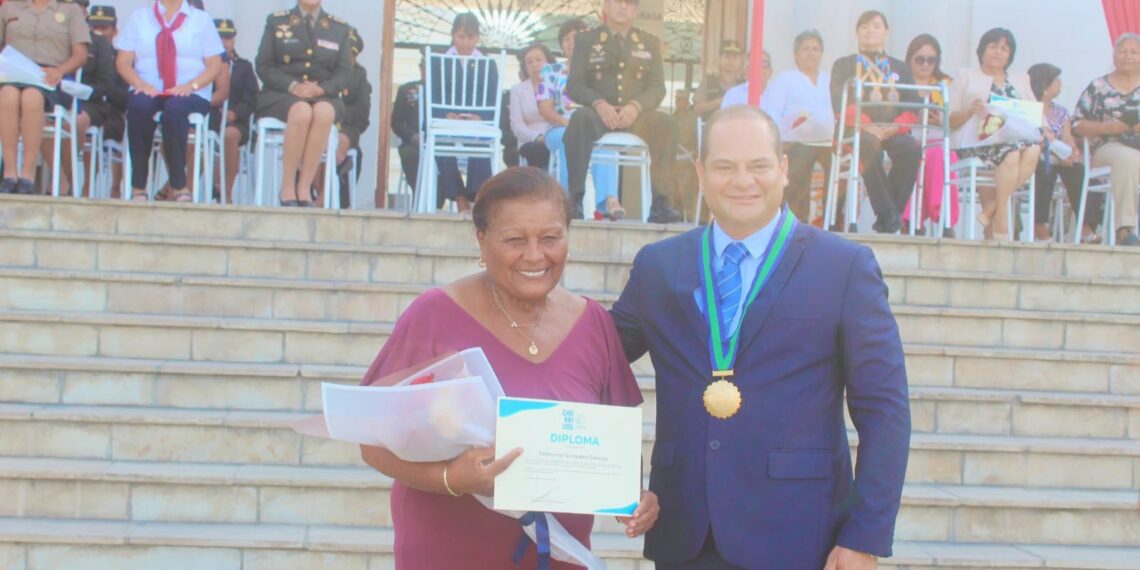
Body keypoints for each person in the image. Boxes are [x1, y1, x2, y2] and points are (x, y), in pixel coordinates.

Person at [611, 104, 910, 570]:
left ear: (784, 168)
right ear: (700, 172)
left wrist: (865, 536)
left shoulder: (843, 268)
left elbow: (885, 411)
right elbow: (594, 363)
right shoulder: (658, 266)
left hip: (799, 533)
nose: (742, 181)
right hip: (685, 532)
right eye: (725, 167)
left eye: (758, 166)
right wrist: (612, 476)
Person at [358, 166, 659, 569]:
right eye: (515, 240)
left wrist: (632, 498)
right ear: (481, 240)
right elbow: (371, 443)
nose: (535, 255)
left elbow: (615, 439)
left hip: (557, 556)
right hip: (449, 553)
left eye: (550, 238)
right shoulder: (434, 315)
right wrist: (452, 478)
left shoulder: (593, 324)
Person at [565, 0, 683, 223]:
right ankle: (575, 200)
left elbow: (658, 88)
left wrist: (636, 106)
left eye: (629, 3)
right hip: (598, 114)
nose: (623, 7)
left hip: (636, 116)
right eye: (617, 2)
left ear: (636, 10)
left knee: (667, 124)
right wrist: (599, 103)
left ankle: (660, 203)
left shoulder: (649, 42)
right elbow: (575, 85)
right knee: (579, 120)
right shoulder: (586, 40)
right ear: (605, 7)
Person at [115, 0, 224, 202]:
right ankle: (138, 185)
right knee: (138, 107)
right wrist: (139, 83)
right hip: (150, 87)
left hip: (190, 91)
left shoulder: (200, 20)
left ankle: (178, 184)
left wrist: (191, 85)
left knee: (175, 110)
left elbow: (214, 65)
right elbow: (123, 61)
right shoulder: (140, 18)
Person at [830, 10, 922, 234]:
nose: (870, 30)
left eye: (876, 26)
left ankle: (888, 216)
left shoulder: (900, 67)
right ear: (857, 33)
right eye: (864, 26)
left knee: (910, 148)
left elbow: (912, 104)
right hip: (857, 130)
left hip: (893, 131)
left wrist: (895, 127)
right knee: (867, 144)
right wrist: (866, 125)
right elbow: (838, 101)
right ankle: (890, 216)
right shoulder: (844, 64)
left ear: (886, 33)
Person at [255, 0, 353, 207]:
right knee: (301, 112)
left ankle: (304, 186)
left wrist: (323, 89)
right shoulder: (276, 22)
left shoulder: (339, 28)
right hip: (282, 93)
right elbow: (264, 65)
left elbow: (345, 72)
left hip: (322, 93)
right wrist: (293, 86)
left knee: (324, 113)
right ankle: (288, 185)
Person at [948, 28, 1041, 241]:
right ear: (982, 50)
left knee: (1033, 149)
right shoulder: (966, 76)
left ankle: (992, 210)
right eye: (993, 47)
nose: (998, 52)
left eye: (1004, 49)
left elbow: (1036, 112)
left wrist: (1044, 129)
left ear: (1010, 55)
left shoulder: (1021, 79)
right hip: (978, 141)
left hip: (1016, 140)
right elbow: (950, 119)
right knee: (1012, 154)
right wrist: (968, 112)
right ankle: (1000, 220)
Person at [0, 0, 90, 196]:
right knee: (7, 96)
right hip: (14, 74)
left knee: (32, 97)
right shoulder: (10, 7)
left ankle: (27, 174)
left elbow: (80, 54)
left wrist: (59, 70)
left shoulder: (70, 9)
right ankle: (9, 172)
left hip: (51, 78)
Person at [537, 18, 622, 220]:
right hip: (559, 127)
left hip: (592, 128)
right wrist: (570, 124)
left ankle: (608, 200)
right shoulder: (551, 71)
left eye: (576, 37)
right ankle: (570, 201)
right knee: (571, 139)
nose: (571, 42)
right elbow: (544, 109)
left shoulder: (598, 73)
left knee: (606, 143)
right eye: (565, 39)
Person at [1072, 33, 1140, 246]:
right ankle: (1125, 229)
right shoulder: (1098, 87)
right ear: (1114, 54)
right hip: (1109, 146)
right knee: (1127, 158)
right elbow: (1076, 124)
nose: (1128, 56)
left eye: (1134, 52)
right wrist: (1106, 127)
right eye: (1123, 51)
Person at [760, 30, 833, 223]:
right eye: (805, 49)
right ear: (796, 54)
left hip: (828, 141)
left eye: (815, 49)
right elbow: (773, 112)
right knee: (798, 165)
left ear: (821, 54)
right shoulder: (786, 79)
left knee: (838, 166)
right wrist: (780, 139)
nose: (811, 53)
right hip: (797, 141)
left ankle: (831, 220)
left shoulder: (830, 80)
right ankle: (796, 222)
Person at [431, 13, 497, 213]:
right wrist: (445, 114)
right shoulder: (438, 61)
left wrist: (481, 117)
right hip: (447, 121)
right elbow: (433, 94)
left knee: (483, 140)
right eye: (461, 36)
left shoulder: (487, 63)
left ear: (477, 38)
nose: (465, 42)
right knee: (440, 140)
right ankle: (459, 196)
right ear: (452, 35)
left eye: (470, 37)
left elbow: (493, 97)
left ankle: (477, 193)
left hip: (475, 122)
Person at [1029, 63, 1102, 244]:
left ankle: (1086, 226)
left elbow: (1067, 136)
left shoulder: (1060, 111)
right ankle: (1039, 225)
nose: (1060, 84)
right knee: (1045, 171)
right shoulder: (1028, 107)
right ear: (1045, 85)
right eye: (1056, 80)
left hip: (1059, 156)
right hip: (1036, 156)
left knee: (1081, 173)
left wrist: (1071, 150)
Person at [900, 33, 959, 237]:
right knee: (911, 154)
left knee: (940, 155)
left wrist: (938, 120)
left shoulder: (946, 86)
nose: (925, 64)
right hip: (907, 137)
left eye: (931, 60)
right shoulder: (900, 83)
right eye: (920, 59)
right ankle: (911, 220)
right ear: (910, 59)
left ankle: (943, 218)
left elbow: (955, 119)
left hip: (937, 138)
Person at [315, 26, 369, 208]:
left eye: (352, 55)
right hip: (321, 124)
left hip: (347, 127)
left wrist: (337, 113)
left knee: (340, 141)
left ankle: (323, 197)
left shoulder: (359, 76)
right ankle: (317, 191)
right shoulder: (324, 70)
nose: (348, 59)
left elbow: (362, 114)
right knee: (317, 141)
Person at [79, 4, 128, 197]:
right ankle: (86, 188)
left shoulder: (122, 59)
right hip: (90, 108)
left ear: (114, 31)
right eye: (94, 27)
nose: (98, 32)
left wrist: (106, 91)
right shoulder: (84, 52)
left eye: (104, 28)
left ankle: (115, 189)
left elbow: (126, 96)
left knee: (124, 130)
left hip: (114, 113)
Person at [212, 17, 256, 204]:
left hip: (236, 123)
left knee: (229, 135)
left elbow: (253, 98)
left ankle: (225, 192)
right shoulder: (204, 65)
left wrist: (235, 113)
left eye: (227, 38)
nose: (224, 42)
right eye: (219, 37)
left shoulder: (244, 67)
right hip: (211, 120)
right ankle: (176, 188)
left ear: (233, 41)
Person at [510, 43, 553, 170]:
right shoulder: (517, 90)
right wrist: (537, 137)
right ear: (525, 67)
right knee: (536, 150)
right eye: (529, 62)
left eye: (539, 59)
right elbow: (516, 124)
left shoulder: (558, 85)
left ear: (548, 62)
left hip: (555, 136)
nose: (535, 64)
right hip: (530, 140)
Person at [391, 59, 422, 192]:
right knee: (410, 155)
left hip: (441, 143)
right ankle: (419, 196)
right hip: (414, 142)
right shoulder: (407, 90)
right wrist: (413, 136)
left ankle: (436, 201)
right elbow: (396, 122)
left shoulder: (447, 90)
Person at [692, 41, 745, 120]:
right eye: (726, 56)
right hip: (713, 128)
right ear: (719, 59)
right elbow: (697, 108)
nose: (730, 61)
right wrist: (717, 102)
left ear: (740, 61)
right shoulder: (709, 82)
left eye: (734, 57)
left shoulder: (744, 85)